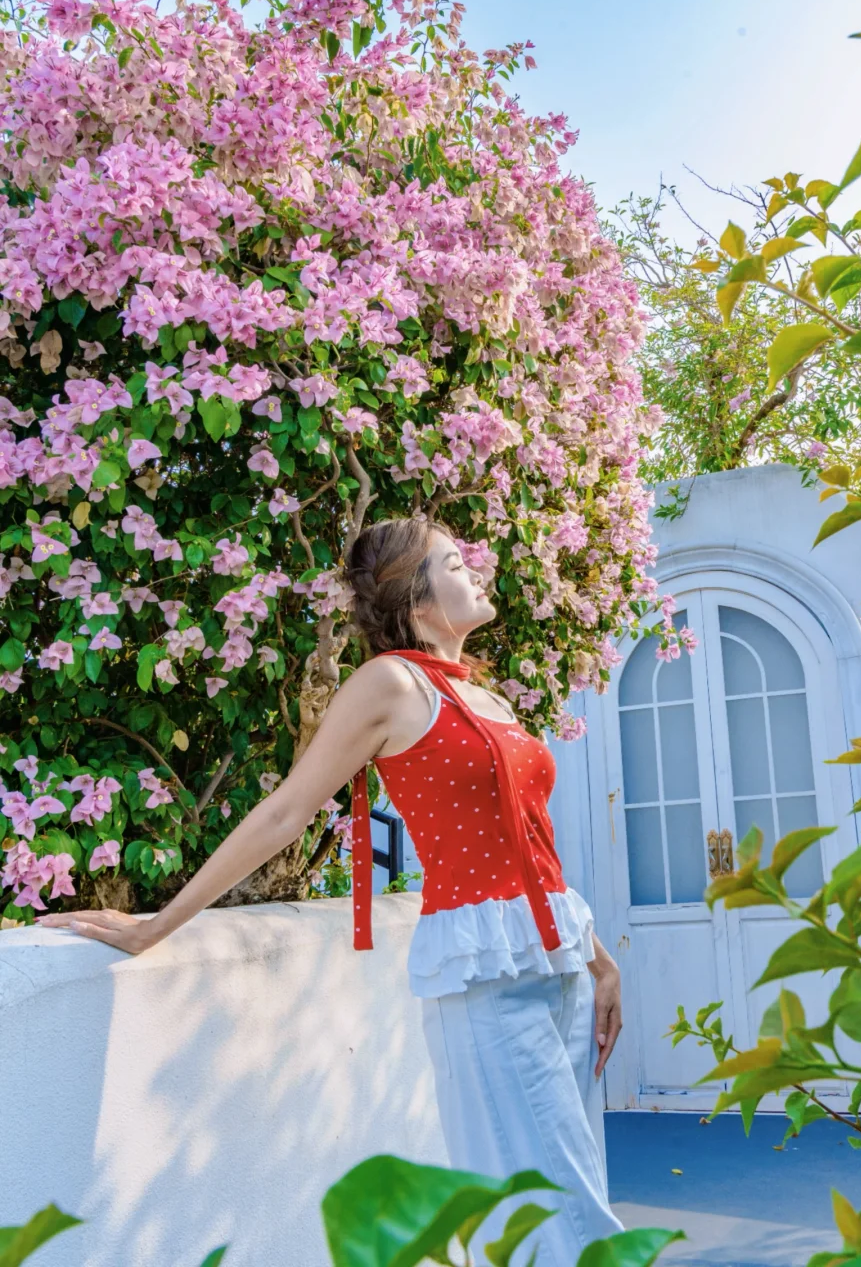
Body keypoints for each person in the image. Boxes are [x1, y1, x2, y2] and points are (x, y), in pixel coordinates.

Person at [38, 514, 625, 1263]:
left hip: (561, 968)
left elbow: (532, 848)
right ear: (417, 599)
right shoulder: (390, 684)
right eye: (453, 562)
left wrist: (599, 960)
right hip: (487, 980)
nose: (475, 568)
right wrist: (157, 924)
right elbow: (285, 812)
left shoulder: (489, 701)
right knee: (553, 1209)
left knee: (570, 1199)